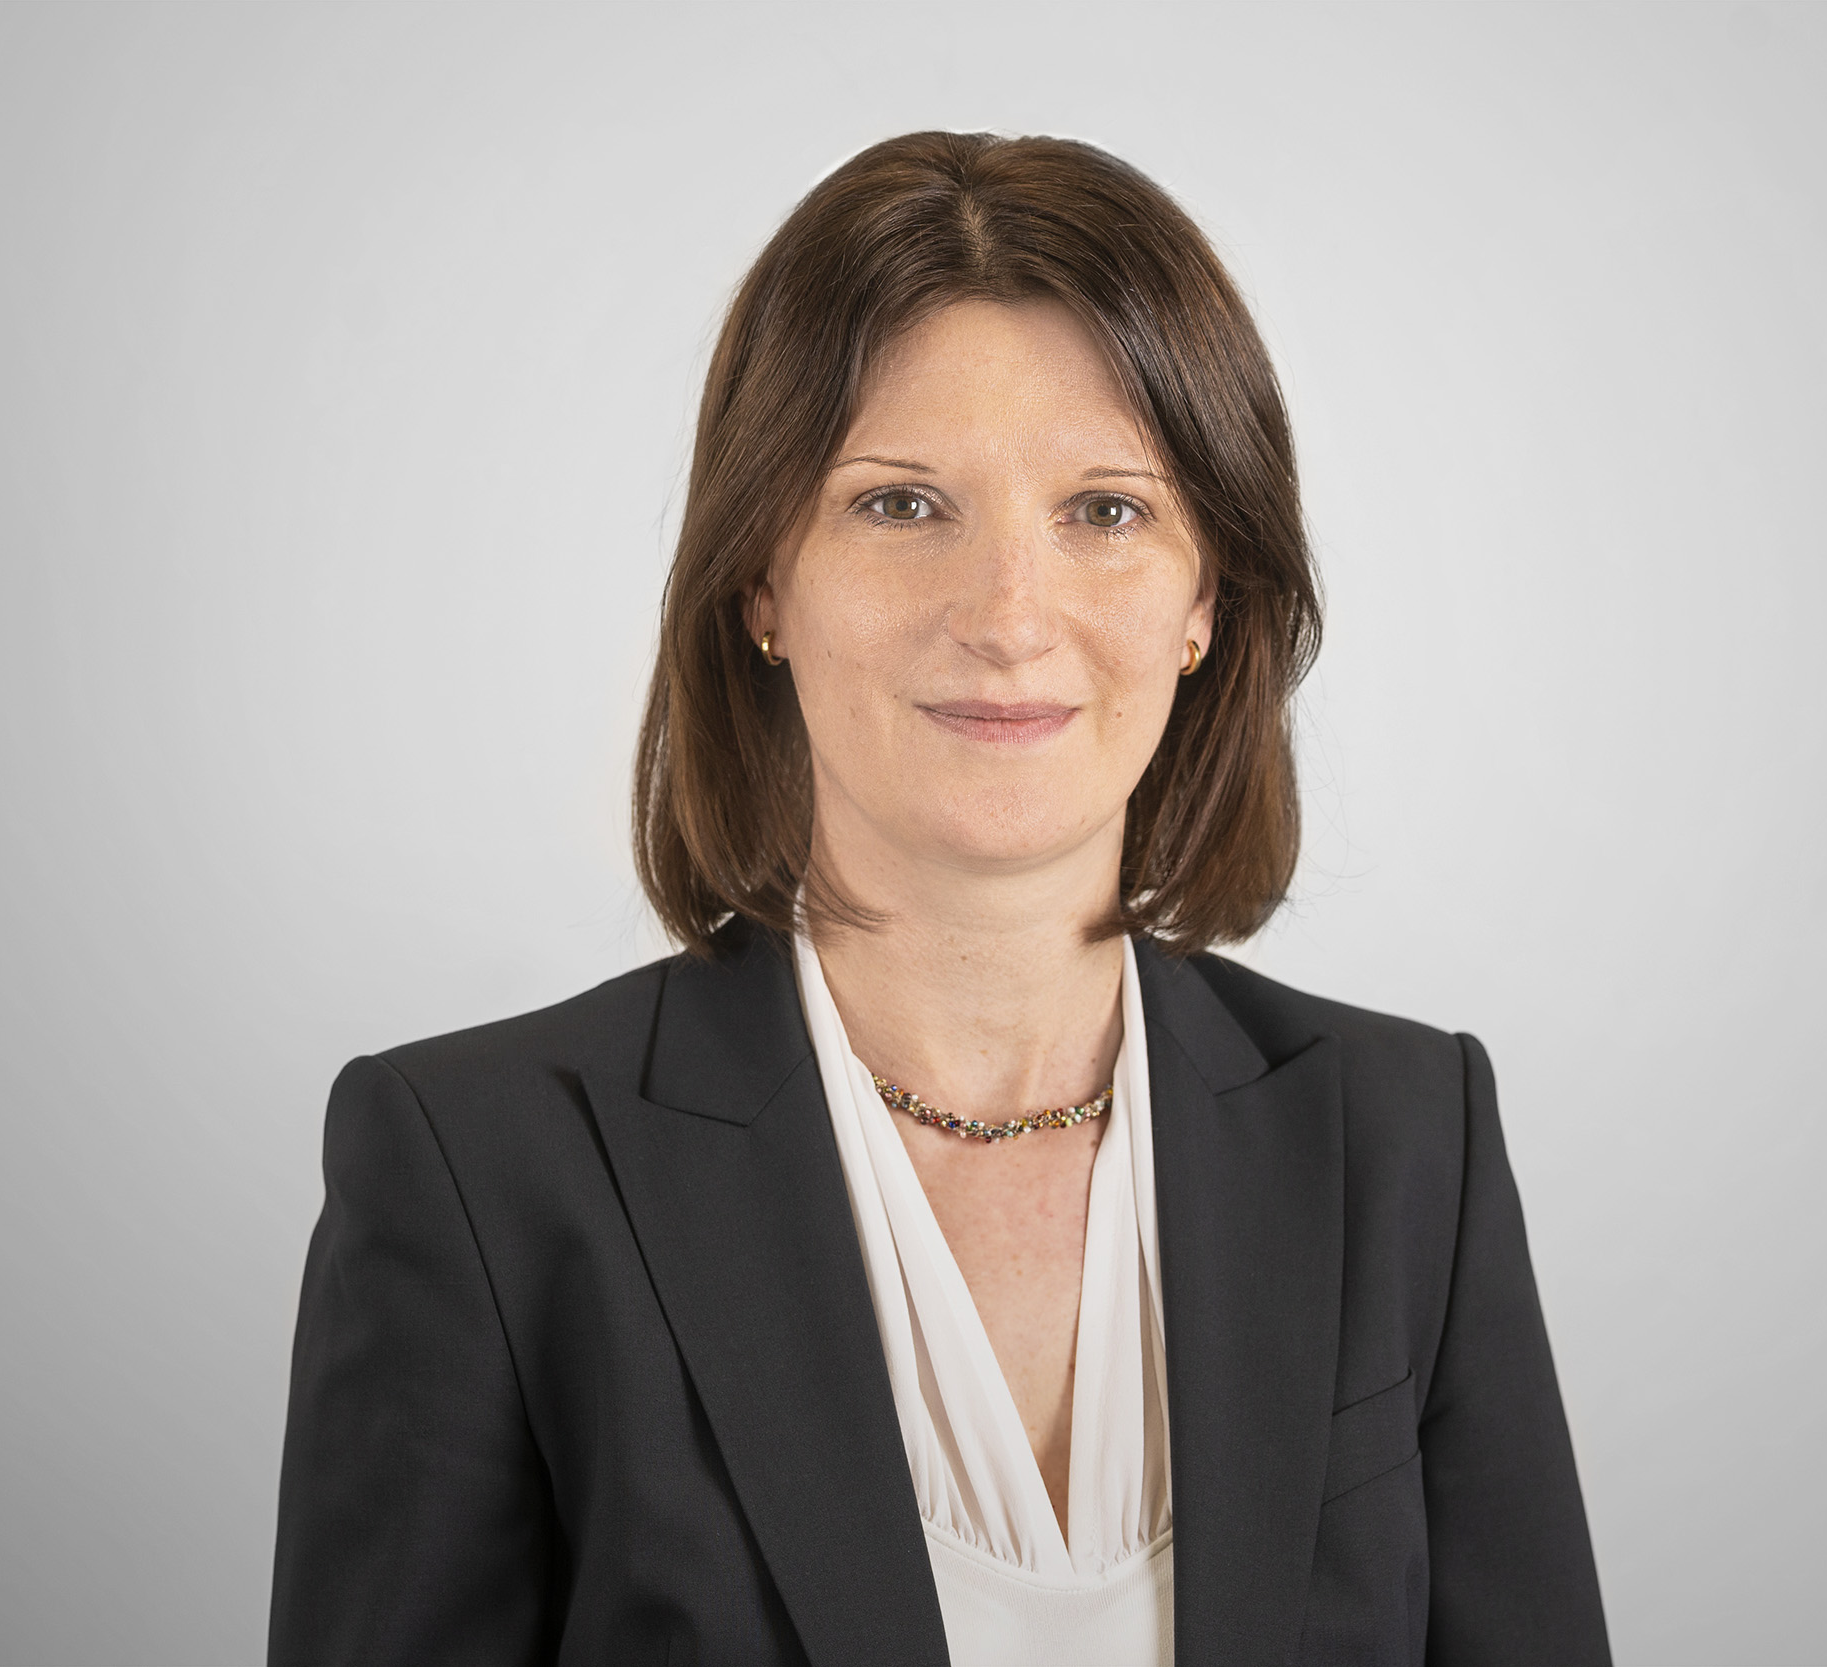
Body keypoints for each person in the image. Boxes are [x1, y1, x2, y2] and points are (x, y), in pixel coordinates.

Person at [269, 130, 1610, 1667]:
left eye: (1106, 511)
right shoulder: (480, 1173)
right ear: (761, 581)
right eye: (902, 505)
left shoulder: (1407, 1138)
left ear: (1208, 600)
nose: (1008, 617)